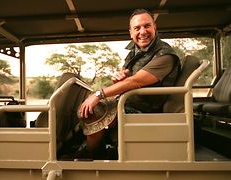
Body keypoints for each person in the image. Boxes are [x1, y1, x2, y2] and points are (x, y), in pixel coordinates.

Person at [74, 9, 181, 160]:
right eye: (137, 28)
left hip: (146, 109)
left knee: (95, 109)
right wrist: (119, 80)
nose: (142, 32)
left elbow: (136, 81)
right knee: (86, 104)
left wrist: (99, 94)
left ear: (154, 27)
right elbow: (129, 81)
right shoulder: (135, 52)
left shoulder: (165, 55)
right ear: (131, 32)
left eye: (147, 26)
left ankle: (91, 154)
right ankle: (87, 143)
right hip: (129, 102)